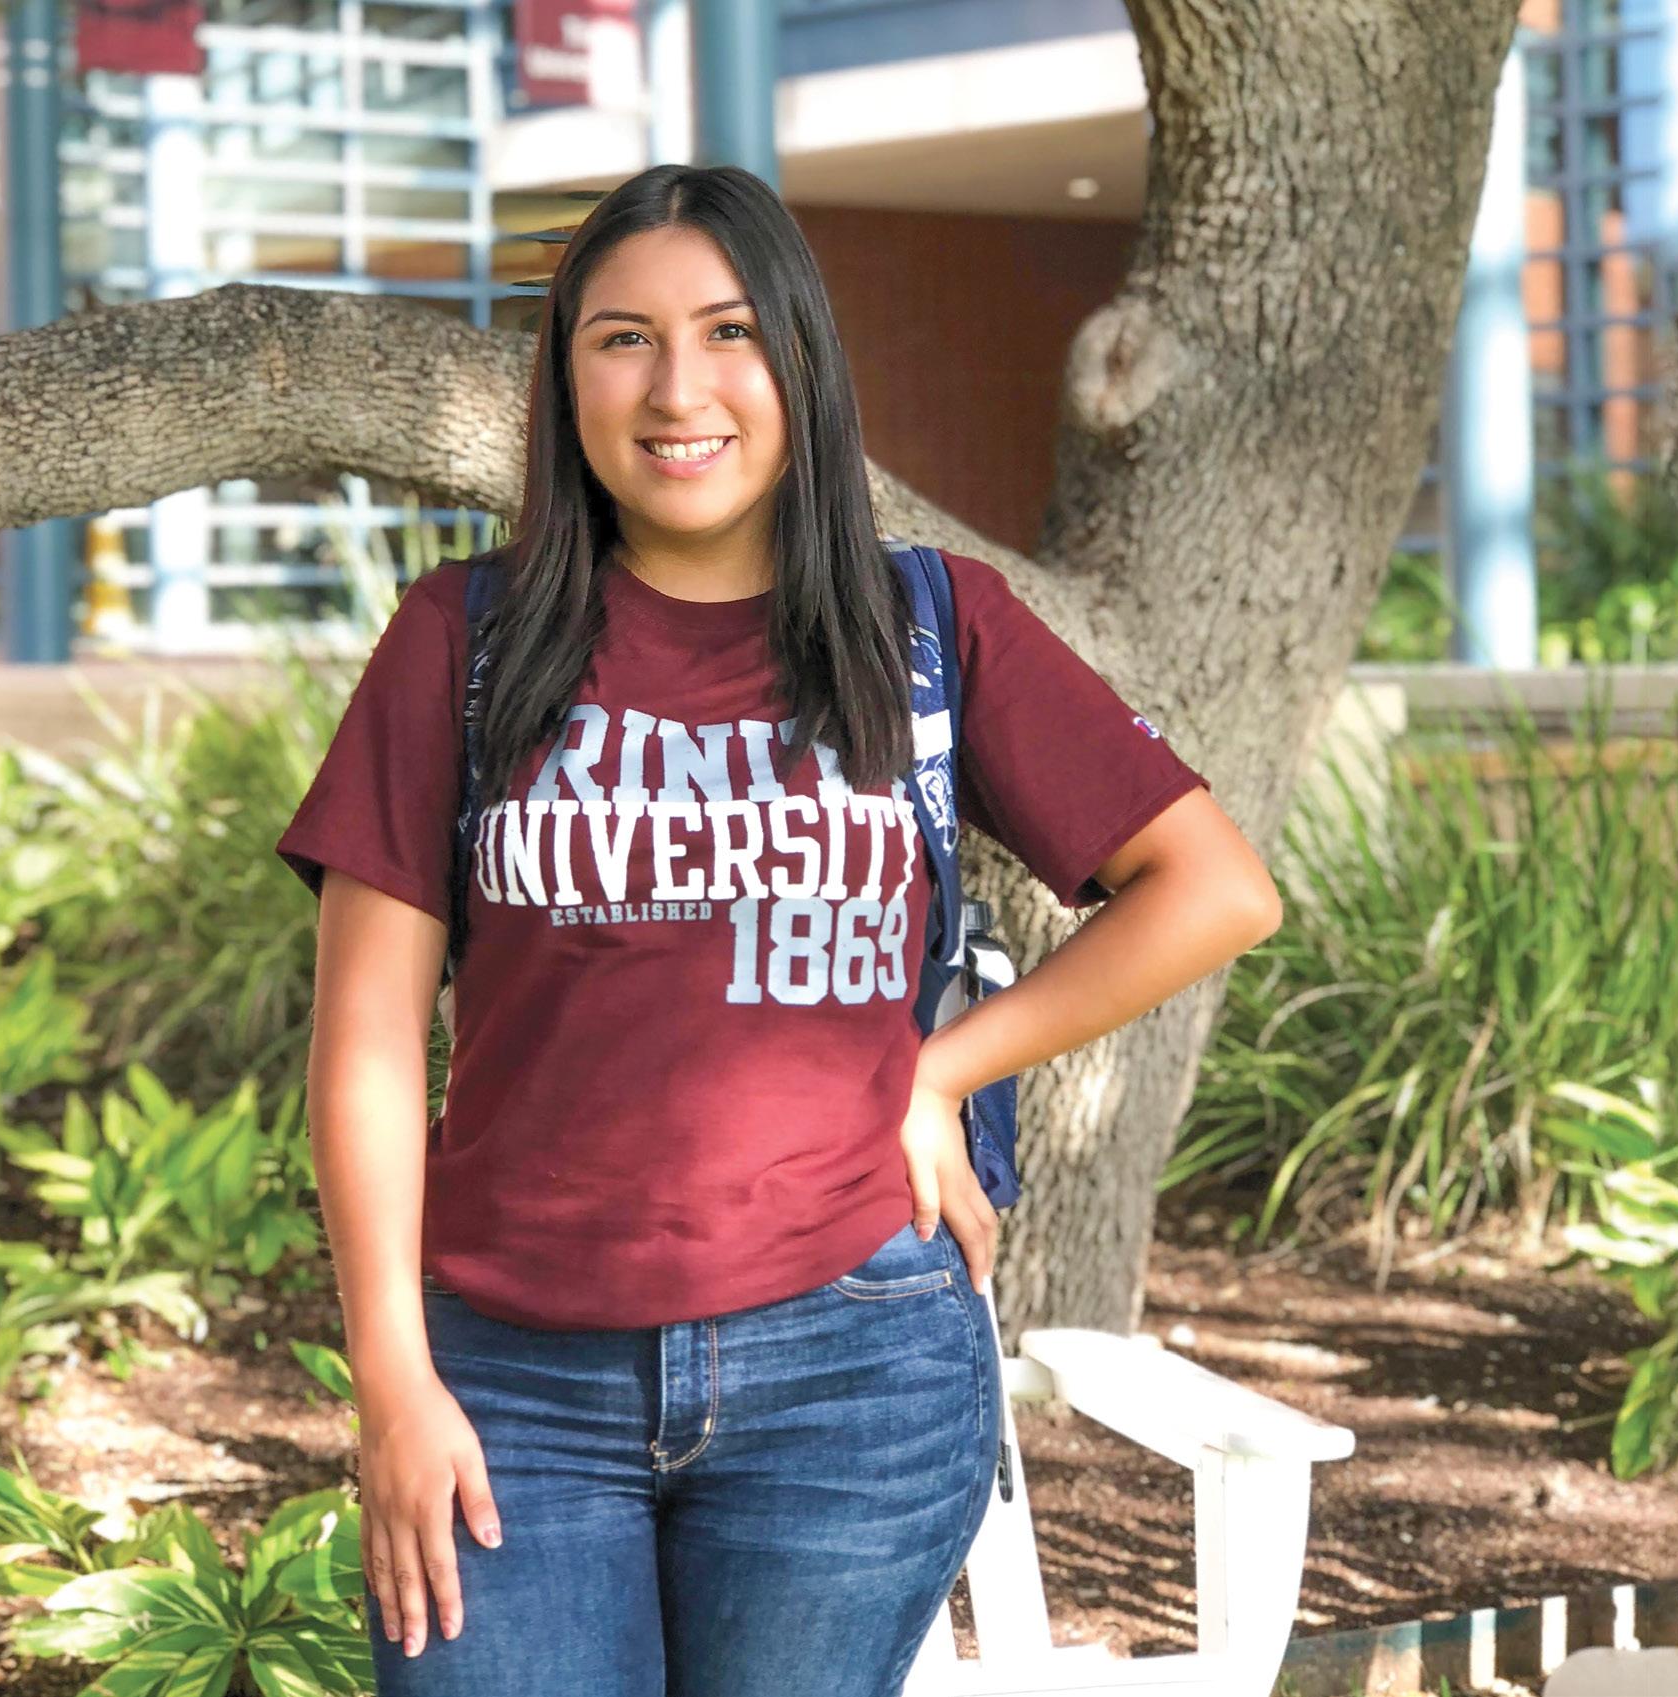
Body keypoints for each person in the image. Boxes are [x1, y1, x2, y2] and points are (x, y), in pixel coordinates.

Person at [275, 162, 1284, 1697]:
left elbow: (1213, 886)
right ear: (565, 380)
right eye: (622, 338)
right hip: (509, 1380)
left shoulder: (931, 628)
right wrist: (391, 1382)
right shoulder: (460, 642)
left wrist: (940, 1069)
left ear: (800, 360)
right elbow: (362, 1048)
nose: (678, 389)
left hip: (850, 1372)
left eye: (729, 331)